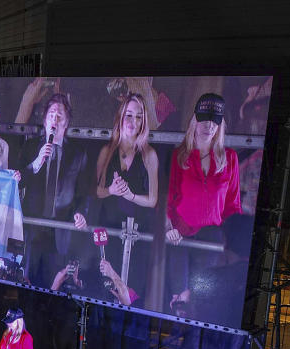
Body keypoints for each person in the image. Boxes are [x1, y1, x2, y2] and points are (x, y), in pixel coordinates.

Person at [166, 93, 242, 312]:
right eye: (204, 119)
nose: (209, 125)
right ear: (195, 121)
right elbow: (171, 197)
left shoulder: (230, 158)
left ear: (220, 125)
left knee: (201, 294)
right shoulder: (180, 156)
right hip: (181, 233)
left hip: (212, 236)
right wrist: (170, 227)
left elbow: (232, 203)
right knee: (179, 292)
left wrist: (225, 236)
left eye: (215, 121)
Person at [17, 93, 90, 289]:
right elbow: (16, 181)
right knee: (25, 283)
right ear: (44, 120)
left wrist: (82, 213)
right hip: (32, 229)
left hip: (60, 231)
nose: (54, 120)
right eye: (51, 115)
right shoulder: (31, 146)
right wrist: (36, 163)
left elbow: (85, 193)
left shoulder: (78, 153)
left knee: (54, 286)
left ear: (66, 124)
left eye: (59, 116)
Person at [92, 93, 159, 301]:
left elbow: (152, 200)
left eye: (139, 117)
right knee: (107, 289)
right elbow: (98, 191)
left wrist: (130, 195)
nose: (133, 121)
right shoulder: (106, 152)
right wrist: (111, 190)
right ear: (121, 117)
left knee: (131, 293)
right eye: (129, 115)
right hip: (109, 230)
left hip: (137, 234)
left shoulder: (149, 155)